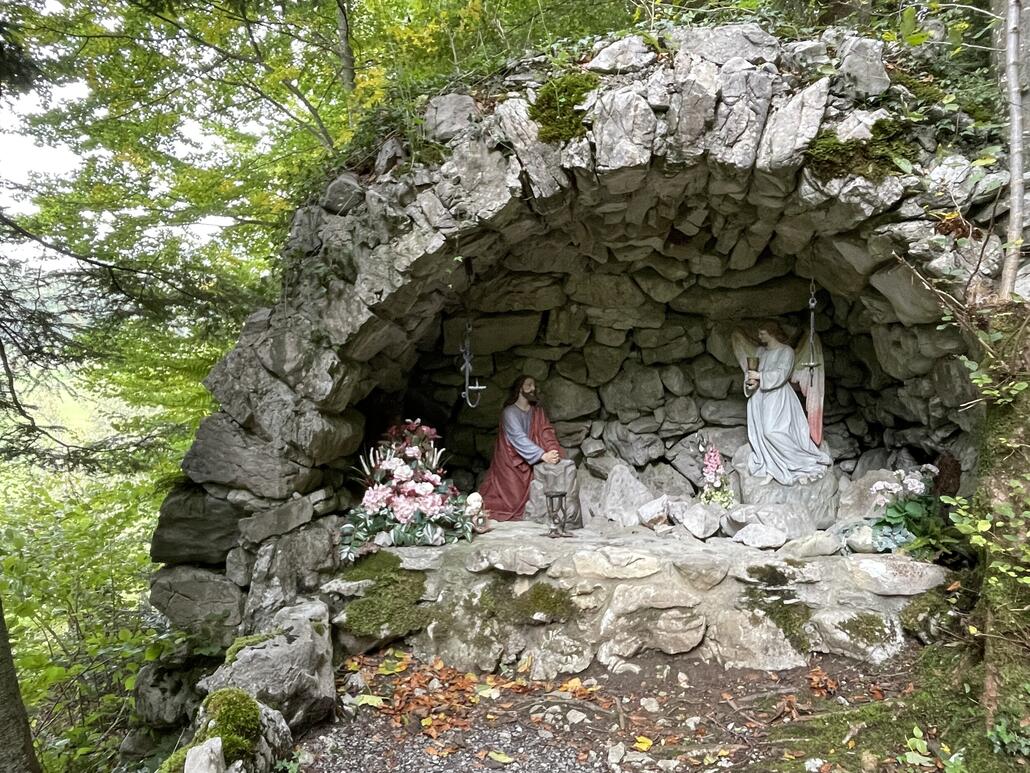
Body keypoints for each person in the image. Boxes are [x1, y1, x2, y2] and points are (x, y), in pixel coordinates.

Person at [742, 321, 830, 486]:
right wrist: (750, 382)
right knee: (761, 433)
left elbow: (782, 373)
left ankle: (800, 462)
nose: (759, 336)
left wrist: (760, 376)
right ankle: (772, 467)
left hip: (777, 397)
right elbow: (752, 374)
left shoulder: (786, 351)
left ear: (772, 332)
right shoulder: (760, 352)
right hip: (759, 397)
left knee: (771, 431)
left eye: (762, 333)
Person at [479, 375, 564, 521]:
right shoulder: (509, 413)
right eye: (529, 385)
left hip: (529, 460)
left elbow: (546, 431)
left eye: (534, 385)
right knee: (512, 501)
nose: (533, 389)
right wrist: (542, 455)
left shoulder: (537, 412)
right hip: (511, 462)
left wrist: (552, 449)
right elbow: (519, 438)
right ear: (520, 389)